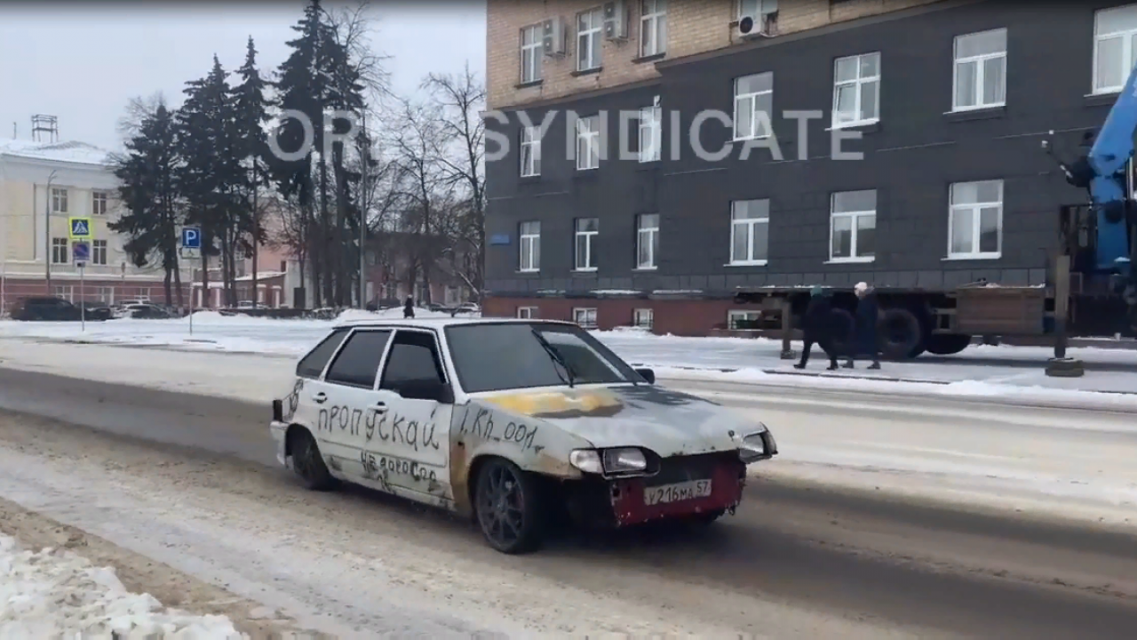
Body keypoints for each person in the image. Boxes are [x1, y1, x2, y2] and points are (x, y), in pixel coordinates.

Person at [795, 287, 838, 371]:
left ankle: (802, 364)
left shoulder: (813, 302)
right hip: (821, 328)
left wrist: (804, 324)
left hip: (812, 328)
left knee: (807, 347)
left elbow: (809, 315)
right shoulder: (824, 302)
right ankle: (834, 362)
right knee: (826, 346)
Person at [844, 282, 881, 370]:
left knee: (855, 344)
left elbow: (863, 314)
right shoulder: (868, 299)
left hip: (864, 326)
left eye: (857, 290)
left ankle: (850, 362)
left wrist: (857, 322)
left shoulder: (866, 301)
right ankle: (851, 361)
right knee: (868, 346)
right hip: (866, 326)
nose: (856, 293)